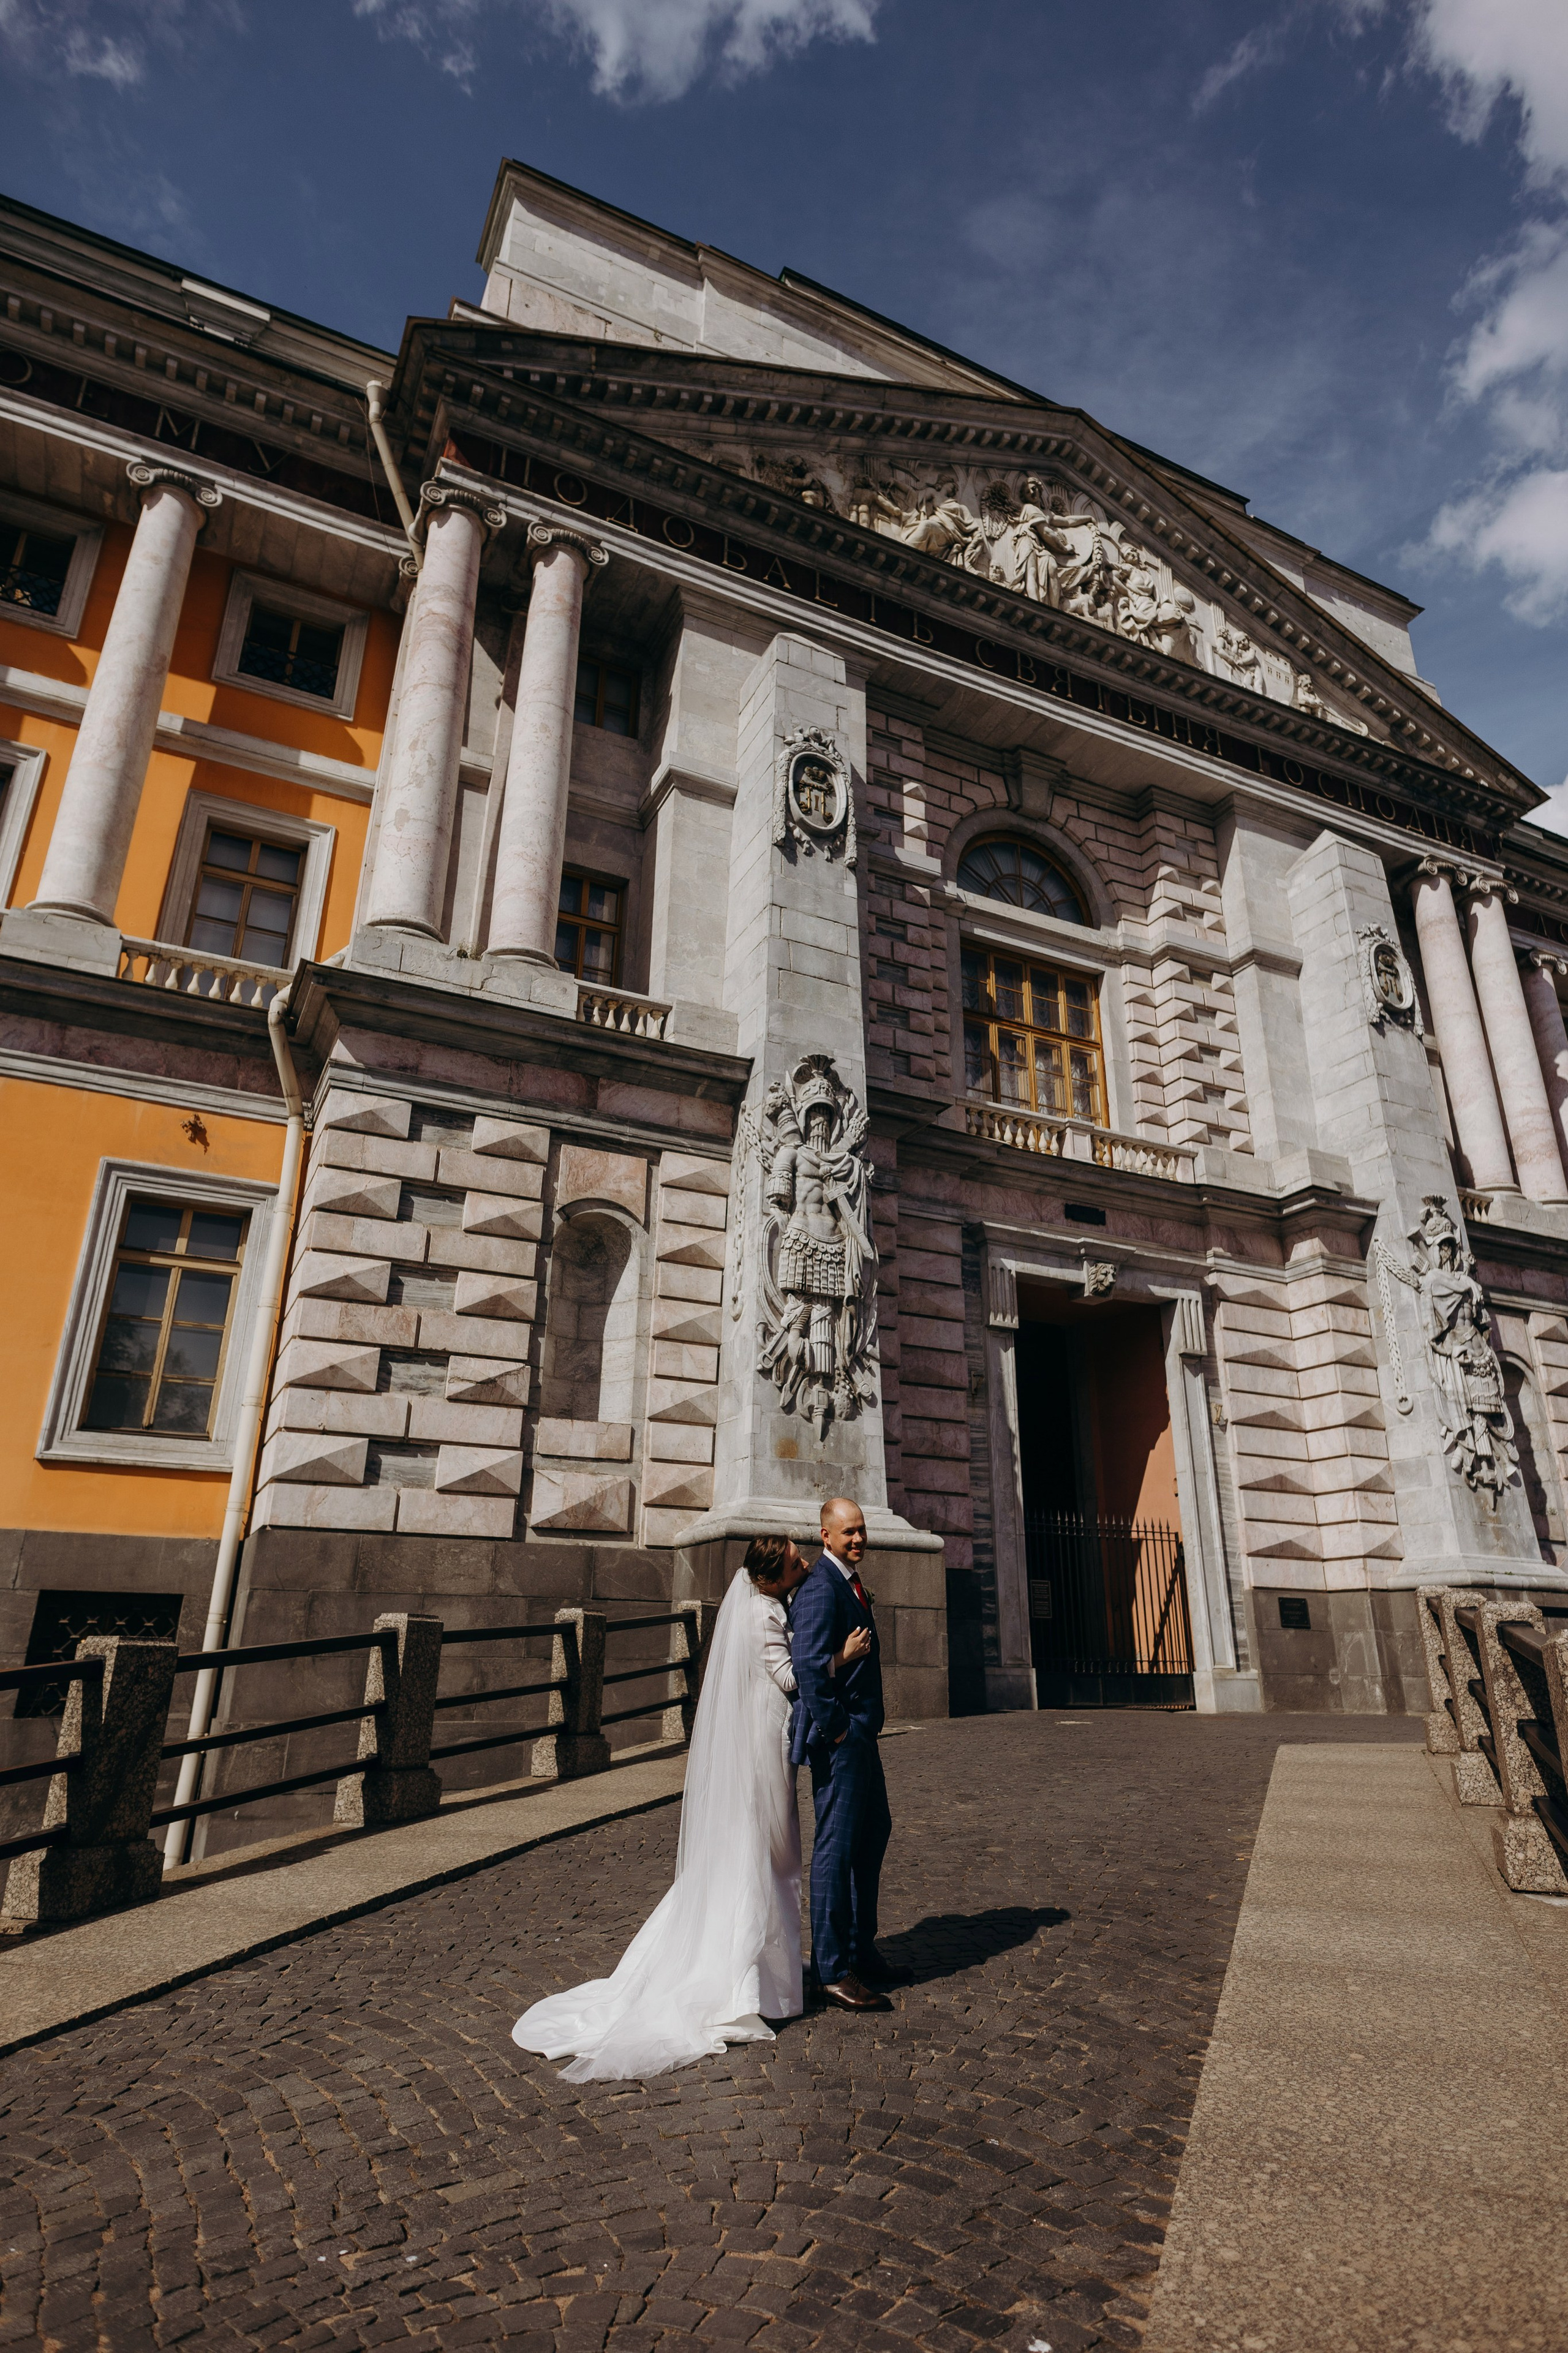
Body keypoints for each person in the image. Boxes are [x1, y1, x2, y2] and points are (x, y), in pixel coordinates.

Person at [511, 1534, 868, 2080]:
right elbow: (790, 1678)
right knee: (769, 1851)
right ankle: (746, 1979)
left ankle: (764, 1976)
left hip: (762, 1736)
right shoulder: (763, 1617)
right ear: (771, 1579)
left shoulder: (769, 1602)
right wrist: (842, 1655)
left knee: (760, 1851)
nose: (805, 1565)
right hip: (763, 1743)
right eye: (796, 1562)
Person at [788, 1495, 902, 2014]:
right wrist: (838, 1731)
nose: (858, 1539)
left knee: (874, 1830)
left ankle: (860, 1947)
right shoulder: (819, 1588)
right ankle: (832, 1968)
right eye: (848, 1532)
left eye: (861, 1530)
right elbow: (810, 1668)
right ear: (825, 1536)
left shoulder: (849, 1581)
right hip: (843, 1739)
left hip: (860, 1738)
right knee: (835, 1849)